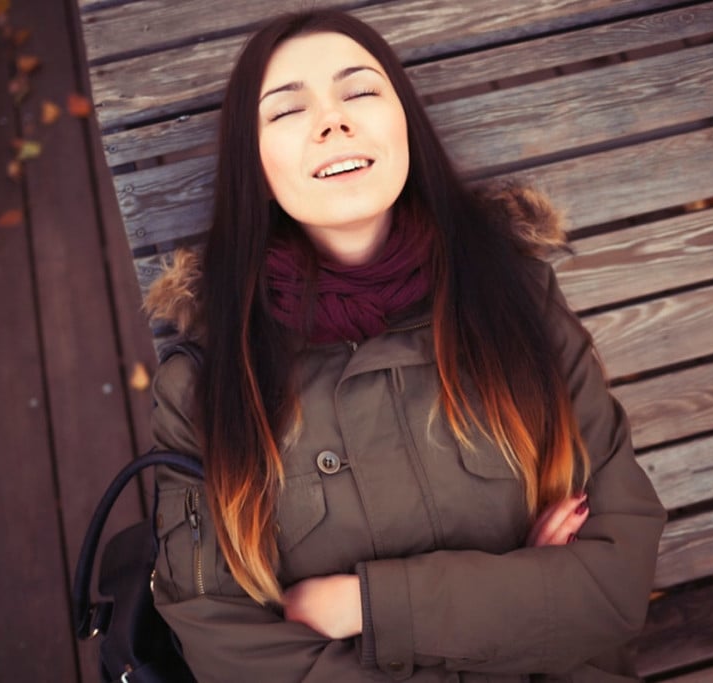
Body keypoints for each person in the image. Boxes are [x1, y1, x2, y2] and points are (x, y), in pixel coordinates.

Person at [144, 9, 665, 682]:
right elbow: (225, 643)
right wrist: (524, 592)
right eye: (286, 111)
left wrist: (362, 602)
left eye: (359, 90)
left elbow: (611, 585)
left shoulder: (518, 301)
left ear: (405, 125)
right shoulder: (204, 386)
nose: (333, 121)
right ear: (255, 165)